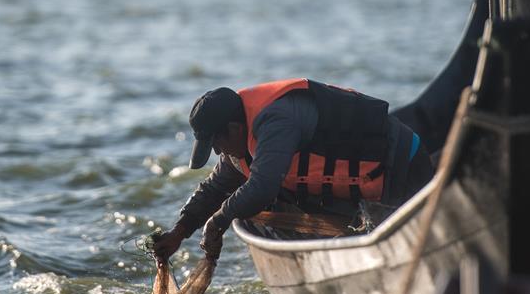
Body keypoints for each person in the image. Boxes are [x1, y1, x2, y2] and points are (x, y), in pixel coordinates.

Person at [152, 78, 434, 262]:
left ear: (234, 129)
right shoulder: (239, 143)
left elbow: (262, 188)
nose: (218, 153)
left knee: (411, 250)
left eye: (217, 144)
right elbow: (215, 187)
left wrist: (219, 220)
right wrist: (180, 231)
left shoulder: (276, 121)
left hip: (400, 164)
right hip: (367, 183)